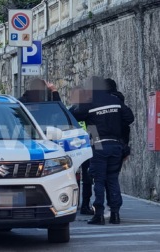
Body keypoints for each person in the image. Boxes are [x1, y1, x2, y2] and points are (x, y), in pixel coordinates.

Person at [69, 76, 134, 225]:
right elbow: (129, 118)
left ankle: (98, 214)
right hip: (116, 144)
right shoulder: (115, 100)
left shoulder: (89, 103)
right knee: (112, 179)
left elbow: (74, 115)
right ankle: (115, 214)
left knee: (98, 179)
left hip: (99, 143)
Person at [69, 85, 94, 215]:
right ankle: (80, 203)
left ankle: (82, 203)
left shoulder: (71, 111)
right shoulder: (87, 110)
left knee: (86, 178)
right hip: (79, 147)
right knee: (80, 177)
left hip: (82, 147)